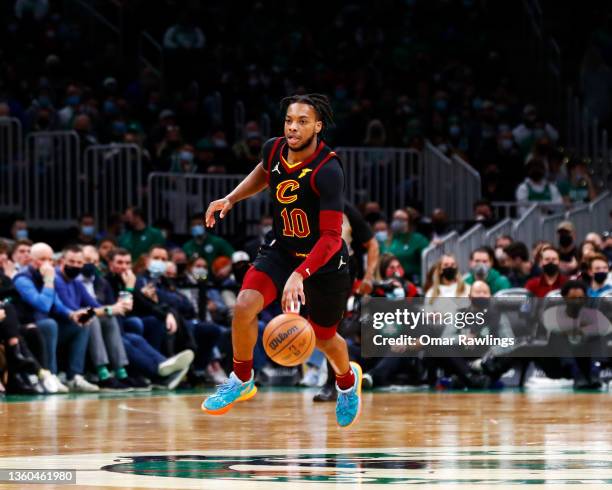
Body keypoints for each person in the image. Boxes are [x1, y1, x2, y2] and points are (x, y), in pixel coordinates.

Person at [201, 94, 362, 428]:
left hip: (324, 262)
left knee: (323, 337)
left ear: (318, 126)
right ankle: (242, 380)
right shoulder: (273, 148)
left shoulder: (328, 169)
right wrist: (231, 198)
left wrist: (300, 274)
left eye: (303, 121)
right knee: (245, 304)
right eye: (289, 120)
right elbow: (263, 174)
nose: (293, 127)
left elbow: (332, 237)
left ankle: (347, 383)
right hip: (282, 249)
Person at [13, 243, 98, 392]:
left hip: (45, 326)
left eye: (50, 259)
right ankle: (51, 375)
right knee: (50, 324)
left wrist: (73, 315)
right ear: (32, 260)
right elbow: (43, 305)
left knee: (82, 323)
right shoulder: (22, 278)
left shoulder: (48, 276)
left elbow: (57, 304)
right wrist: (48, 281)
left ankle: (74, 376)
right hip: (26, 328)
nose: (47, 263)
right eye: (42, 259)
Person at [54, 245, 132, 391]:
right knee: (92, 318)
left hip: (88, 323)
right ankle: (102, 374)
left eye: (79, 263)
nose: (76, 266)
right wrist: (109, 309)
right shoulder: (57, 279)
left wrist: (128, 290)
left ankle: (121, 372)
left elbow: (95, 304)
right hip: (63, 323)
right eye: (72, 261)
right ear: (61, 261)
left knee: (108, 319)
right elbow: (73, 308)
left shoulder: (84, 281)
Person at [380, 208, 429, 285]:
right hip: (388, 281)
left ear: (408, 222)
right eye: (395, 218)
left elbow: (428, 258)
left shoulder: (418, 239)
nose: (397, 221)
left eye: (401, 219)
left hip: (412, 281)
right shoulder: (387, 240)